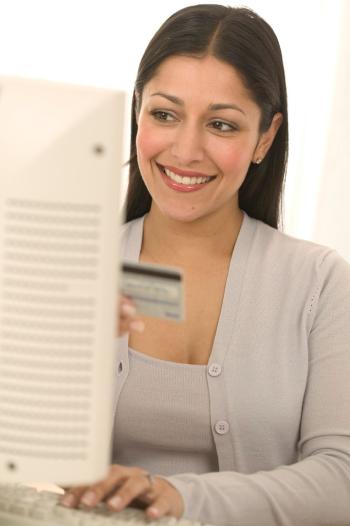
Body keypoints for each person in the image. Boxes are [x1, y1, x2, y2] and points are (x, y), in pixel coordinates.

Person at [61, 4, 350, 525]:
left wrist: (179, 495)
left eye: (221, 124)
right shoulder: (70, 269)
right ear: (137, 113)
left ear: (265, 137)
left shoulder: (320, 282)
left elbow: (341, 479)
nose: (186, 149)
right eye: (165, 114)